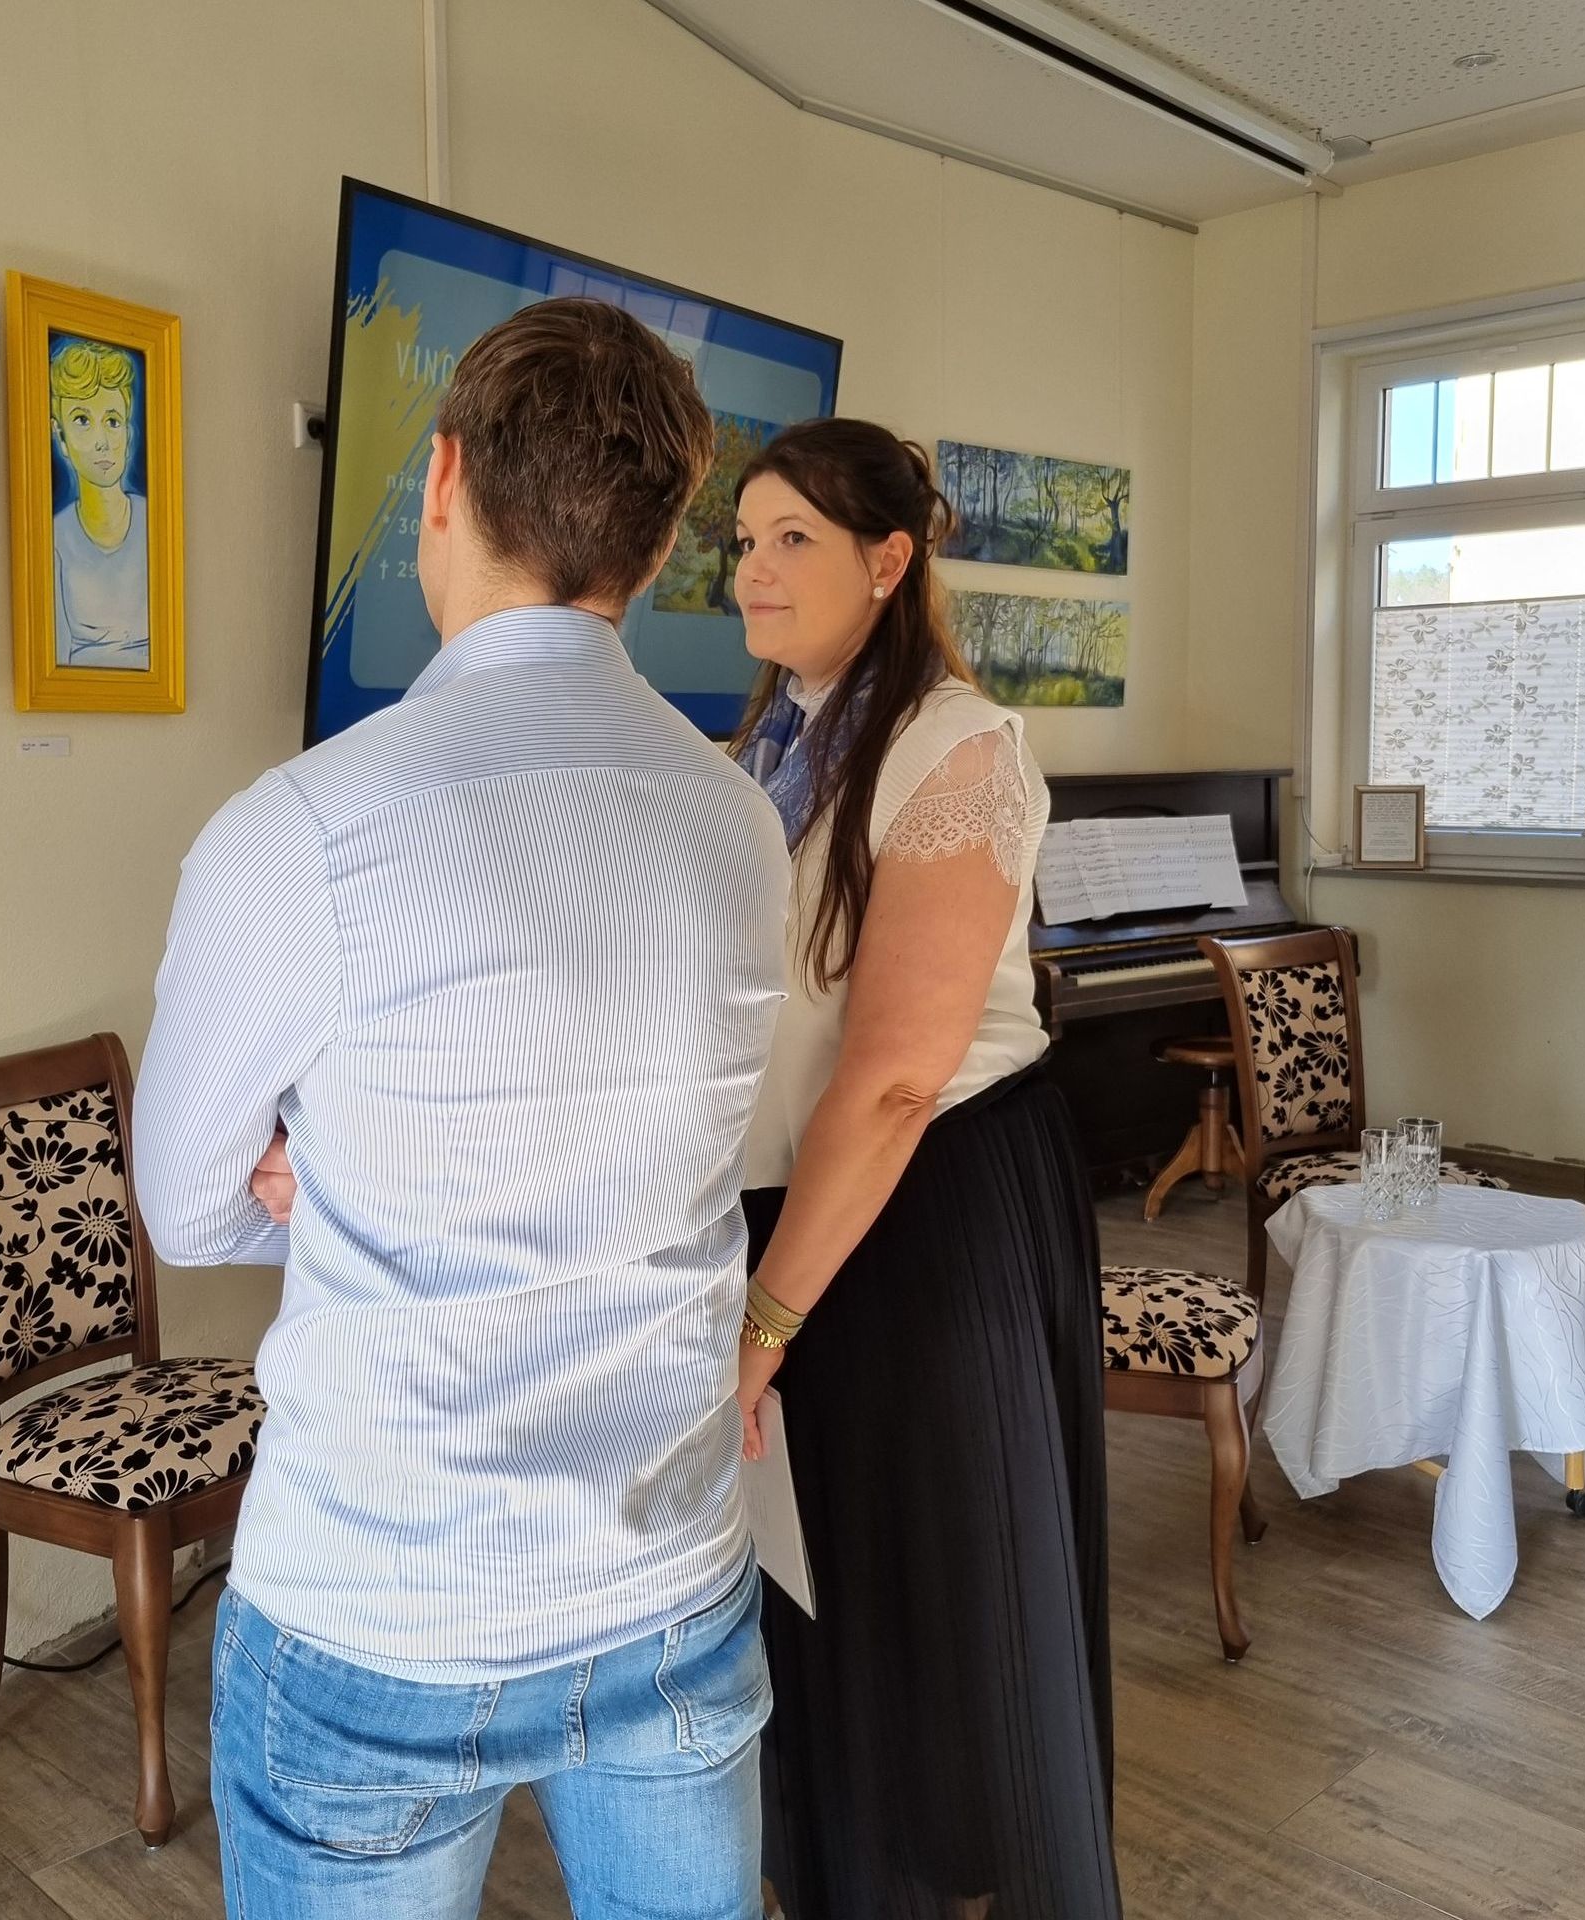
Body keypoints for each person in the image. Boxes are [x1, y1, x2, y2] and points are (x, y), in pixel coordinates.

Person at [133, 298, 792, 1920]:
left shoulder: (300, 827)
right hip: (668, 1575)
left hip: (383, 1599)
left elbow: (190, 1204)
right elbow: (661, 1150)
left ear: (442, 482)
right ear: (660, 547)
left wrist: (351, 1180)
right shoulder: (737, 825)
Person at [728, 419, 1122, 1919]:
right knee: (822, 1595)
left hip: (928, 1208)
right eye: (743, 542)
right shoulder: (769, 744)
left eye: (794, 540)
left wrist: (763, 1322)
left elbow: (896, 1075)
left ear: (889, 561)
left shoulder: (956, 746)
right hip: (809, 1200)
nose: (753, 571)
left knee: (936, 1607)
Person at [50, 336, 150, 669]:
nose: (102, 441)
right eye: (82, 420)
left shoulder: (156, 524)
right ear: (61, 437)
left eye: (113, 421)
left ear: (128, 435)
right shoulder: (54, 539)